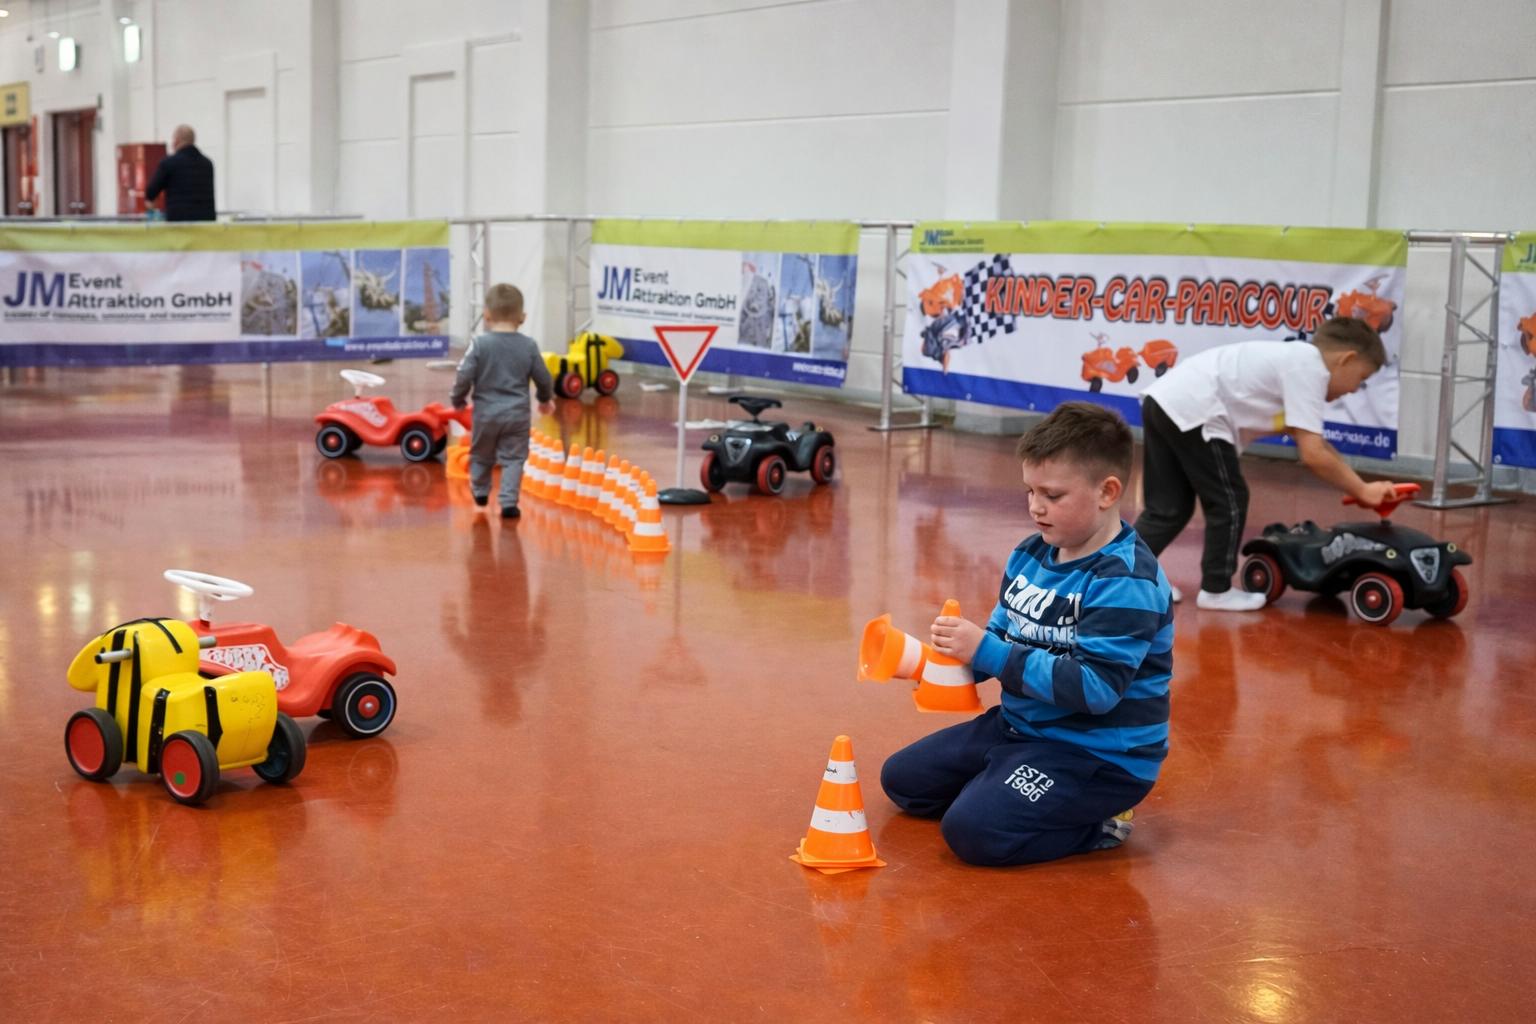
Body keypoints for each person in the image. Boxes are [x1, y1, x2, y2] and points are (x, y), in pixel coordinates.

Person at [881, 402, 1173, 867]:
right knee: (901, 780)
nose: (1036, 506)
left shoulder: (1126, 581)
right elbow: (1003, 631)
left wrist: (988, 652)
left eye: (1053, 495)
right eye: (1029, 490)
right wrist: (945, 666)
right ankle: (1008, 782)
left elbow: (1095, 690)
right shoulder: (1031, 552)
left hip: (1094, 757)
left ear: (1107, 491)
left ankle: (1101, 820)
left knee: (972, 832)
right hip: (1018, 727)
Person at [1134, 316, 1399, 611]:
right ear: (1345, 359)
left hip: (1165, 401)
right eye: (1360, 379)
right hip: (1198, 410)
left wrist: (1363, 486)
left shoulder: (1295, 362)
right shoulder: (1309, 367)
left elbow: (1316, 443)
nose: (1353, 390)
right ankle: (1216, 590)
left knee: (1167, 509)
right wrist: (1362, 490)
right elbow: (1313, 455)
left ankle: (1125, 581)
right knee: (1230, 500)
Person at [450, 284, 555, 519]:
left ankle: (480, 491)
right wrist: (545, 399)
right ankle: (508, 502)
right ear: (523, 317)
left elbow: (464, 375)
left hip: (485, 414)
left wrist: (457, 399)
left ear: (486, 316)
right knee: (514, 458)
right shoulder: (528, 346)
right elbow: (543, 377)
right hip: (516, 415)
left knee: (480, 454)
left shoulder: (479, 344)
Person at [144, 125, 216, 222]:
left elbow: (151, 192)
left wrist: (151, 205)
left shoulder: (168, 163)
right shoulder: (207, 164)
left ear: (177, 140)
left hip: (179, 224)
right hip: (206, 224)